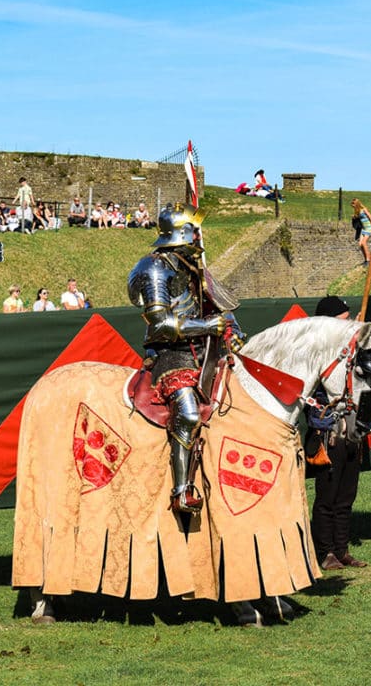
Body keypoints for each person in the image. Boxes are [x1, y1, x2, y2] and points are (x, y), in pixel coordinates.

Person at [127, 204, 244, 513]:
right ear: (181, 232)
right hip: (171, 352)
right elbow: (161, 325)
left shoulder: (190, 266)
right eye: (194, 229)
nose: (198, 235)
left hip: (205, 349)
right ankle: (182, 490)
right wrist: (207, 326)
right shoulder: (155, 268)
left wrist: (233, 329)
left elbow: (220, 306)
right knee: (189, 414)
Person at [305, 295, 371, 570]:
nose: (348, 324)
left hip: (353, 432)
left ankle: (342, 549)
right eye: (342, 320)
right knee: (327, 497)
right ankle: (325, 552)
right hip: (329, 433)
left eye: (349, 319)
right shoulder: (315, 353)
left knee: (347, 496)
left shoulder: (353, 351)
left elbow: (363, 392)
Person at [351, 197, 371, 265]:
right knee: (360, 244)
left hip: (368, 228)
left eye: (353, 205)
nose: (352, 206)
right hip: (363, 229)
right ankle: (365, 259)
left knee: (364, 243)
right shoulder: (357, 211)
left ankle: (368, 259)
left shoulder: (364, 209)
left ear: (356, 204)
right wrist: (354, 217)